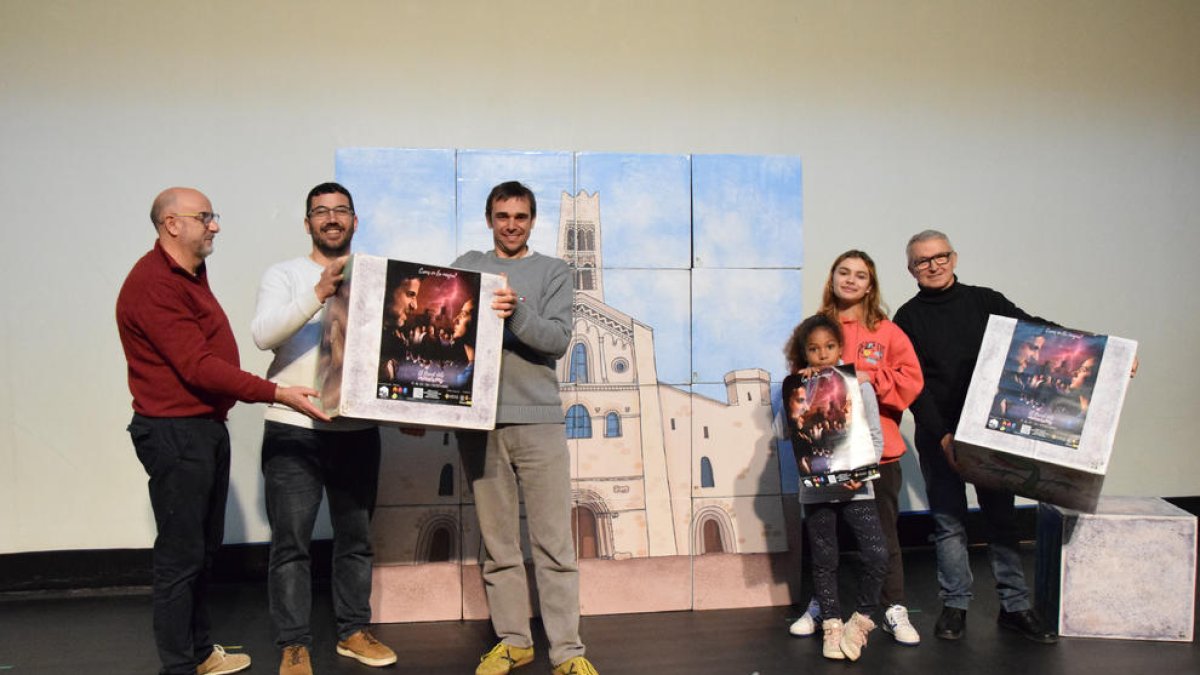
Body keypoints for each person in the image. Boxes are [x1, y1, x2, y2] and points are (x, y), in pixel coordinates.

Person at [117, 187, 329, 675]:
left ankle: (197, 652)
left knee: (201, 549)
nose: (214, 225)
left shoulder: (188, 275)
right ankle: (180, 665)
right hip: (175, 434)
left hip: (202, 428)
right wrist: (277, 393)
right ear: (172, 224)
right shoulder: (154, 283)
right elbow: (197, 367)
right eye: (205, 216)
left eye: (213, 216)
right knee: (180, 556)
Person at [250, 182, 397, 675]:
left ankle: (352, 631)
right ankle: (294, 644)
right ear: (307, 222)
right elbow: (263, 336)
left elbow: (392, 352)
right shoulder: (285, 275)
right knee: (290, 543)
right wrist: (319, 292)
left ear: (355, 221)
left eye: (341, 211)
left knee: (355, 540)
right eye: (320, 211)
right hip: (292, 428)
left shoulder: (378, 278)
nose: (331, 218)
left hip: (355, 430)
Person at [452, 181, 598, 675]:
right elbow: (447, 337)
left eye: (520, 216)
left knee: (554, 543)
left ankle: (568, 652)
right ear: (489, 219)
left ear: (533, 221)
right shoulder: (466, 265)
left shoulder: (553, 271)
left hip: (538, 423)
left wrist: (516, 312)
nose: (510, 224)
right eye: (501, 215)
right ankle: (514, 640)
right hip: (479, 422)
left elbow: (556, 340)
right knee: (498, 545)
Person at [892, 230, 1058, 644]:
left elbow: (1035, 331)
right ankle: (955, 605)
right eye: (922, 261)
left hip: (991, 433)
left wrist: (1104, 351)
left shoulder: (986, 301)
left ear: (954, 257)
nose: (932, 265)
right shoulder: (907, 318)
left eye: (939, 256)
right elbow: (914, 387)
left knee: (1001, 520)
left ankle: (1016, 607)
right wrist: (944, 436)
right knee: (949, 523)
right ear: (910, 269)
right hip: (940, 436)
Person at [789, 250, 925, 646]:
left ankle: (892, 608)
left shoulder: (886, 332)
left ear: (871, 284)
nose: (850, 280)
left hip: (877, 455)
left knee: (883, 539)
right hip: (824, 459)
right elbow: (796, 382)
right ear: (831, 278)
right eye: (843, 272)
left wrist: (867, 377)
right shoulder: (814, 328)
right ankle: (821, 605)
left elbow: (911, 380)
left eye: (860, 275)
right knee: (823, 541)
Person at [782, 314, 888, 662]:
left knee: (876, 554)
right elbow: (782, 435)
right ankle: (831, 623)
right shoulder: (796, 388)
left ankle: (862, 621)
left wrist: (864, 472)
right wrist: (799, 395)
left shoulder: (859, 385)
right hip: (817, 490)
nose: (823, 354)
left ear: (840, 348)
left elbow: (874, 436)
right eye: (814, 349)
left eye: (829, 347)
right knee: (824, 559)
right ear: (804, 353)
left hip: (857, 487)